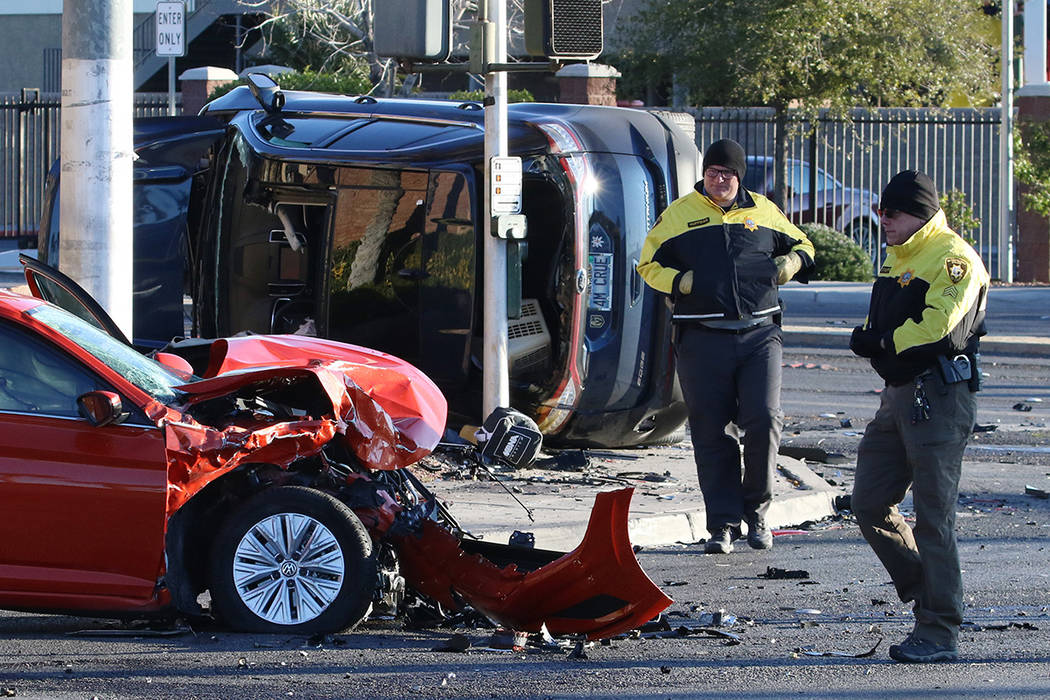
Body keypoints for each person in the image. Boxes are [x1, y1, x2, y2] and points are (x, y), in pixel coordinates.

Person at [637, 138, 815, 554]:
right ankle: (722, 524)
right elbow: (647, 265)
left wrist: (788, 265)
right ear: (704, 174)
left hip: (759, 334)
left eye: (727, 173)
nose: (719, 180)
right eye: (713, 172)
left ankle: (757, 513)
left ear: (739, 176)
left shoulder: (764, 211)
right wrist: (682, 283)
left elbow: (803, 245)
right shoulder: (679, 215)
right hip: (701, 337)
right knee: (711, 432)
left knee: (764, 419)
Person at [849, 170, 988, 664]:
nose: (882, 220)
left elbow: (940, 329)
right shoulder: (899, 255)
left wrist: (883, 341)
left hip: (939, 400)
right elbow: (886, 317)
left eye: (893, 213)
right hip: (897, 396)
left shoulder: (953, 258)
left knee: (933, 519)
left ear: (921, 214)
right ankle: (928, 593)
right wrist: (872, 335)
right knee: (868, 502)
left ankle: (939, 630)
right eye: (881, 212)